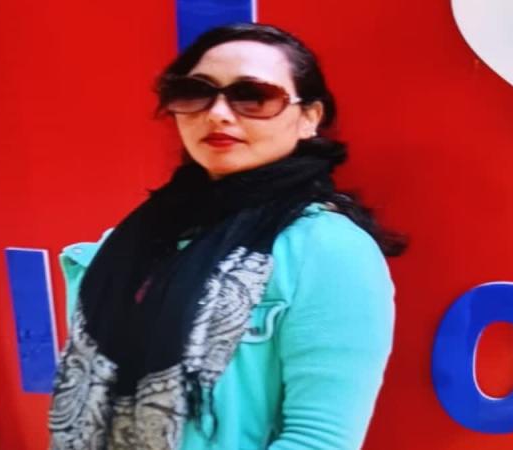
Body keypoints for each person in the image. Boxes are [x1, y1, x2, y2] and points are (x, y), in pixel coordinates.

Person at [48, 22, 405, 450]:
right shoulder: (135, 239)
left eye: (253, 96)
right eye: (195, 92)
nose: (217, 113)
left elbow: (318, 440)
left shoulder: (328, 249)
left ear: (309, 117)